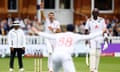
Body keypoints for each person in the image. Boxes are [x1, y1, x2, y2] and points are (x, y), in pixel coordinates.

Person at [33, 24, 105, 72]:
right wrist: (101, 31)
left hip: (55, 55)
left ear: (66, 29)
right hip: (65, 56)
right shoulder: (75, 36)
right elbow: (89, 36)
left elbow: (48, 36)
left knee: (53, 70)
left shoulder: (60, 35)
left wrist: (37, 32)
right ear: (73, 30)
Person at [40, 4, 61, 71]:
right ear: (48, 16)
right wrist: (41, 9)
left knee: (53, 54)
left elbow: (59, 31)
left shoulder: (57, 22)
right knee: (50, 52)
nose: (51, 17)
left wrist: (53, 29)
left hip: (54, 39)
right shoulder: (47, 20)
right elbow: (42, 15)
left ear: (54, 16)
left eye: (52, 15)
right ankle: (50, 68)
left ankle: (52, 66)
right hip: (47, 39)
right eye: (50, 15)